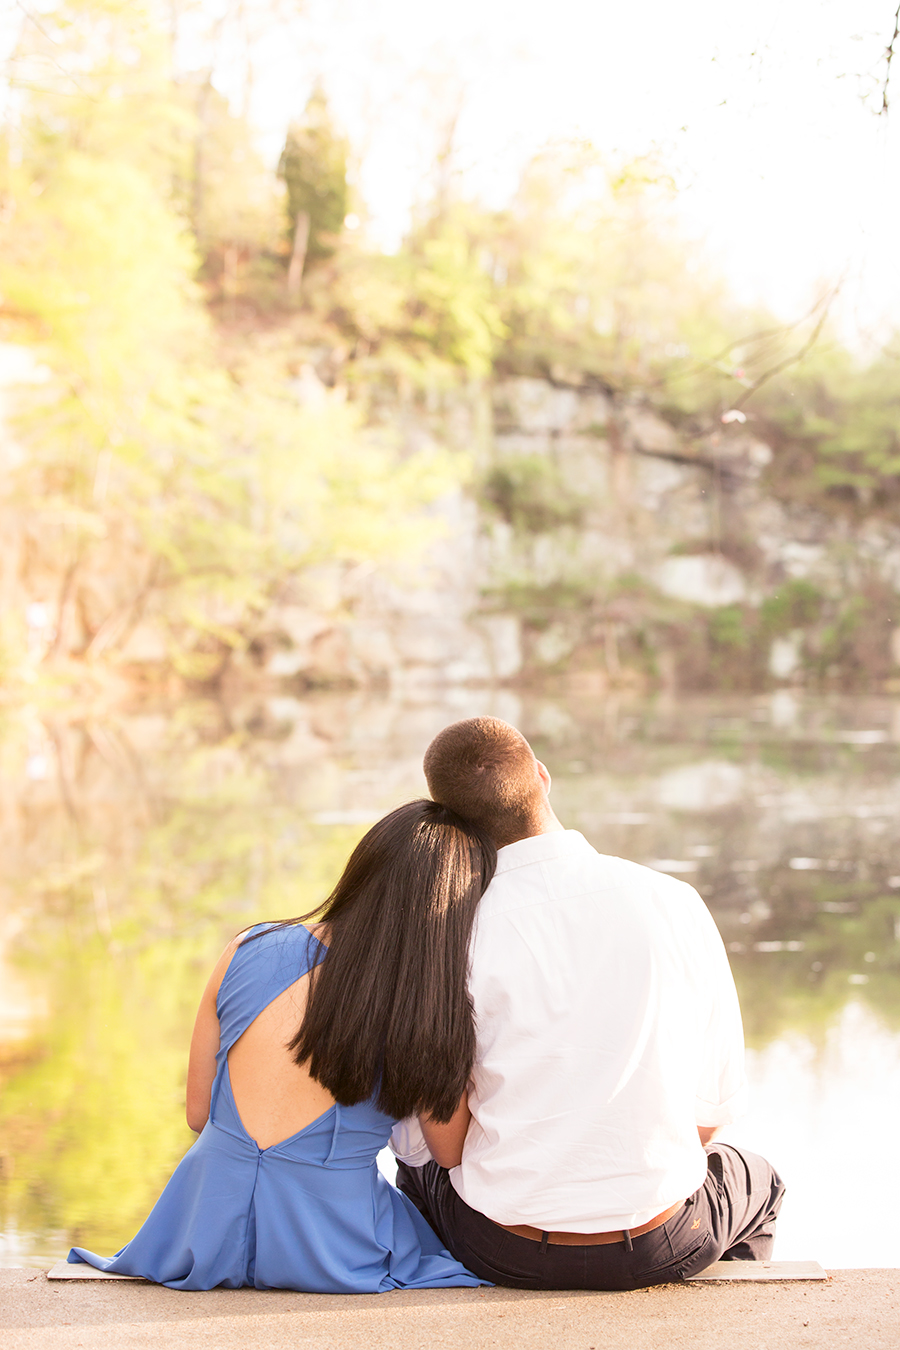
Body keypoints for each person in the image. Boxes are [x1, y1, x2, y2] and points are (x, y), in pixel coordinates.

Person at [394, 717, 785, 1291]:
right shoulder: (673, 903)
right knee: (760, 1178)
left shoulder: (448, 933)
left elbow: (447, 1152)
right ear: (543, 778)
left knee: (413, 1159)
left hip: (502, 1248)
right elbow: (707, 1119)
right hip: (659, 1243)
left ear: (447, 821)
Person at [67, 800, 496, 1292]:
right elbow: (449, 1153)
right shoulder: (424, 1005)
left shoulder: (247, 946)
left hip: (200, 1227)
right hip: (329, 1245)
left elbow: (197, 1114)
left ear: (362, 868)